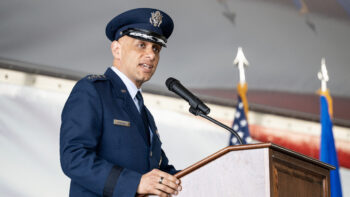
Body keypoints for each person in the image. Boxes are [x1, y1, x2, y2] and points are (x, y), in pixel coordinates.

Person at [60, 8, 182, 197]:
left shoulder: (144, 112)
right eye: (141, 45)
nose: (151, 55)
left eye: (156, 48)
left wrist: (204, 177)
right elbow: (74, 158)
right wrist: (135, 183)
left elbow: (160, 171)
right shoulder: (92, 91)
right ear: (117, 49)